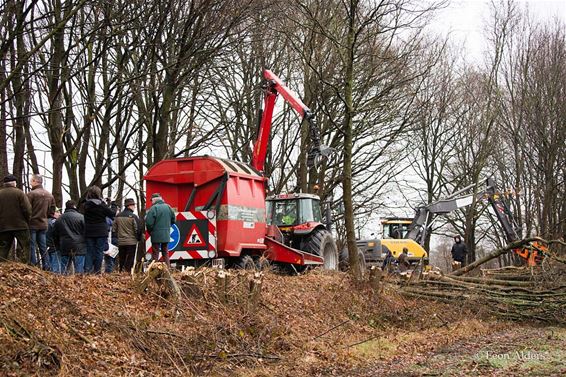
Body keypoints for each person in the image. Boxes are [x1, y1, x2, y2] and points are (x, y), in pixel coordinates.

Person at [83, 186, 115, 274]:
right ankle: (97, 271)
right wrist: (113, 203)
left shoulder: (86, 205)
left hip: (89, 231)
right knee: (99, 251)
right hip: (101, 231)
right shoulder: (102, 205)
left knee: (89, 251)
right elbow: (112, 213)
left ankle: (87, 271)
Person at [0, 174, 32, 263]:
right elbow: (27, 209)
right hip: (20, 225)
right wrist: (27, 220)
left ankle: (2, 267)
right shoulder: (19, 193)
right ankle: (24, 265)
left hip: (3, 226)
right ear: (14, 183)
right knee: (25, 246)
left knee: (3, 248)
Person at [27, 174, 56, 270]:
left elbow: (26, 209)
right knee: (43, 246)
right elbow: (52, 211)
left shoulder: (31, 194)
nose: (30, 182)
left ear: (35, 181)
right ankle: (46, 266)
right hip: (43, 224)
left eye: (31, 180)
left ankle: (33, 266)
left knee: (31, 245)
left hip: (32, 223)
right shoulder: (49, 195)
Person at [52, 200, 86, 274]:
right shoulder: (81, 217)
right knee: (79, 271)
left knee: (64, 270)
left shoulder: (59, 219)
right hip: (79, 247)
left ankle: (64, 284)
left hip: (64, 246)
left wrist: (58, 245)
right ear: (74, 206)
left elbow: (55, 234)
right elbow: (86, 232)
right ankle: (80, 284)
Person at [145, 193, 175, 268]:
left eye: (151, 200)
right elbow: (173, 220)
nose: (151, 202)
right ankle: (167, 269)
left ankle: (154, 269)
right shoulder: (168, 207)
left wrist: (150, 231)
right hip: (166, 234)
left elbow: (149, 223)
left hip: (156, 234)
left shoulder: (153, 208)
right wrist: (167, 227)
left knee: (155, 253)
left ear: (154, 200)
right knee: (165, 252)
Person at [113, 198, 143, 273]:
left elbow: (114, 229)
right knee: (130, 260)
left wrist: (118, 237)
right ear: (129, 206)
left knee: (122, 259)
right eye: (133, 205)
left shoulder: (118, 216)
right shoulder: (133, 217)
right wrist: (138, 238)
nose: (134, 207)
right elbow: (138, 229)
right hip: (131, 242)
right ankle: (128, 273)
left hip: (121, 242)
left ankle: (121, 272)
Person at [46, 208, 62, 274]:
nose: (60, 214)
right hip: (55, 247)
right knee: (56, 271)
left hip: (47, 247)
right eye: (57, 212)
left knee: (48, 269)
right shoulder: (55, 222)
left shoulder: (45, 221)